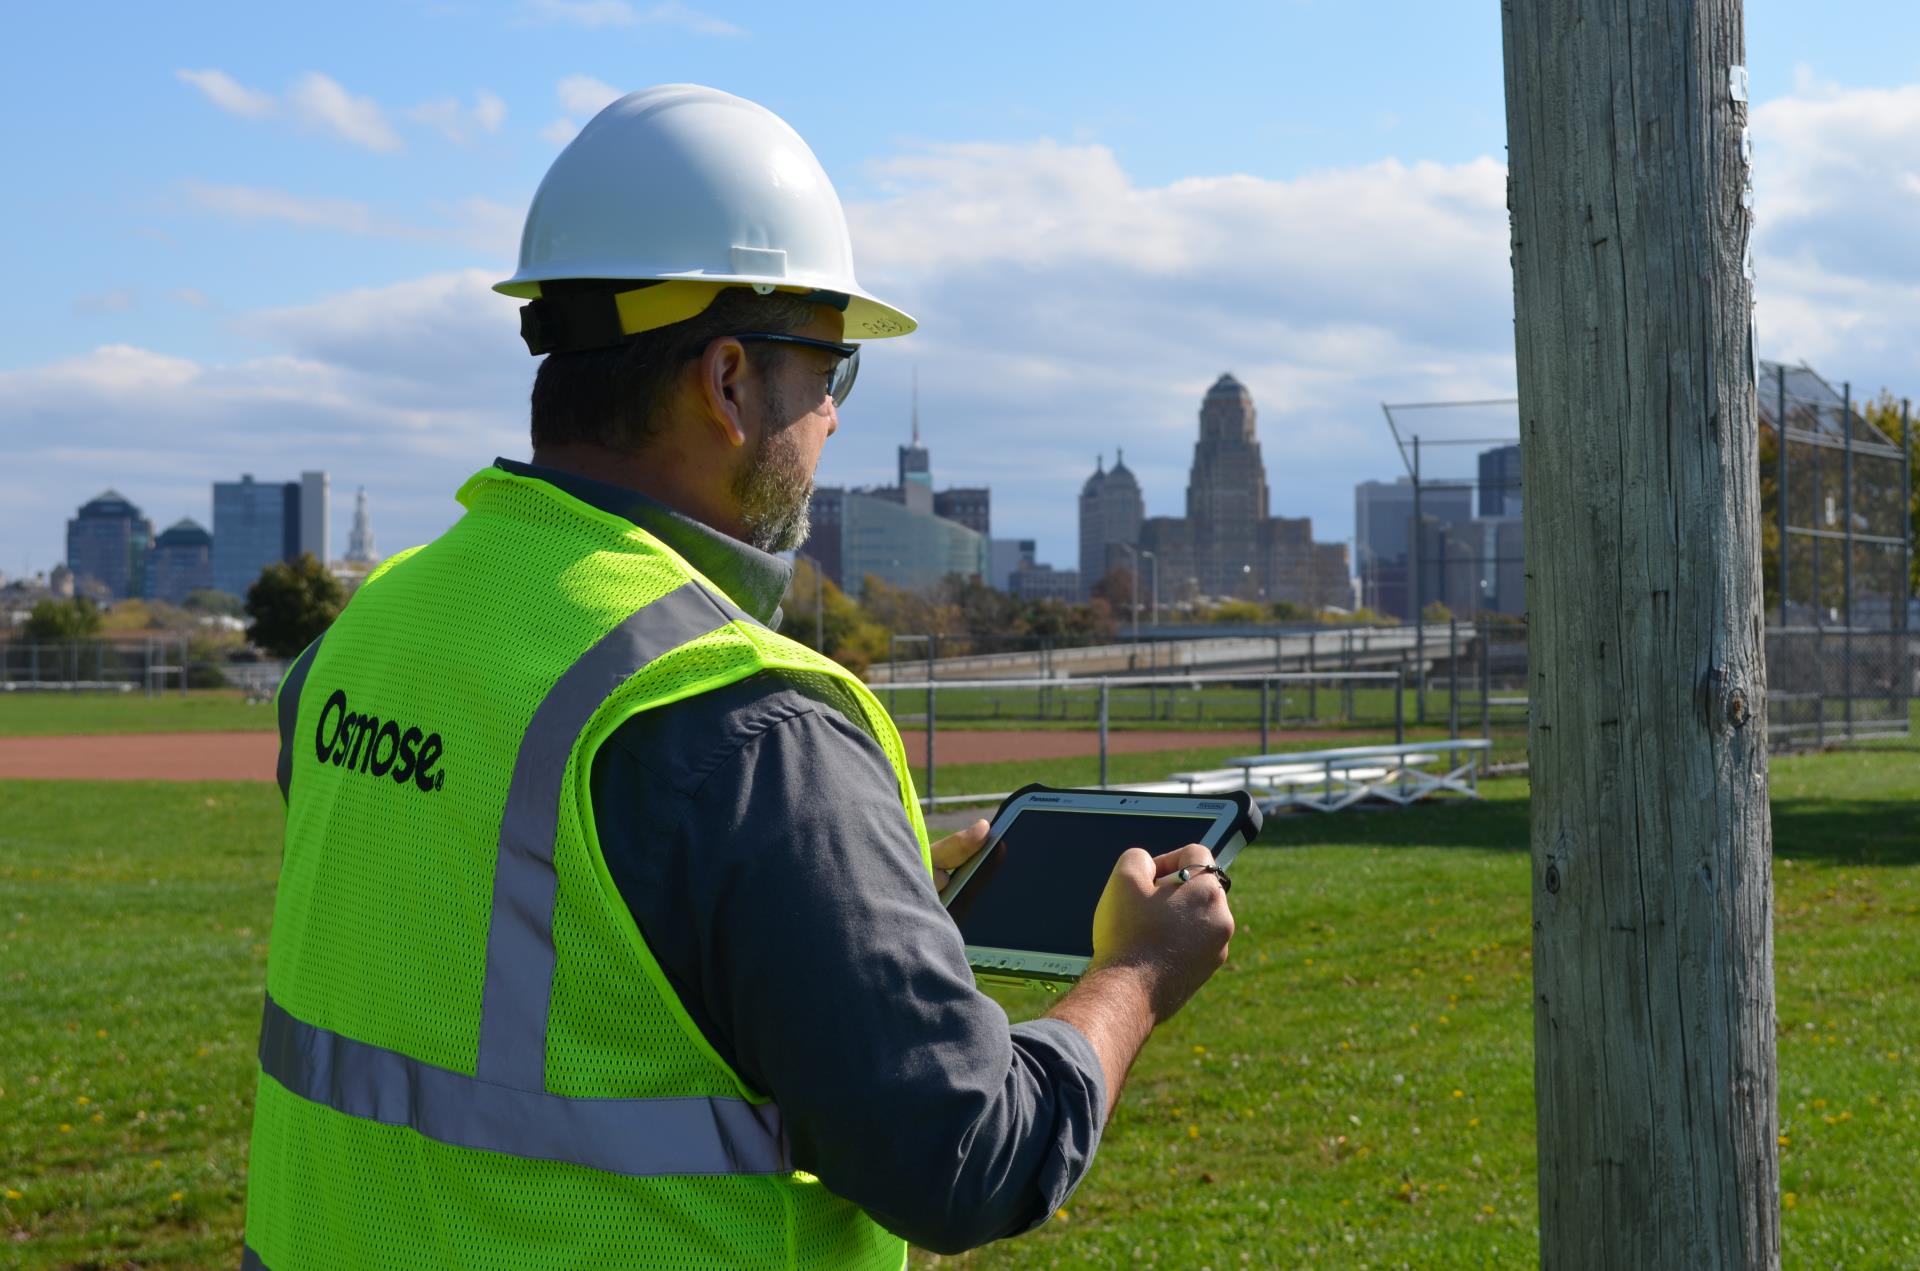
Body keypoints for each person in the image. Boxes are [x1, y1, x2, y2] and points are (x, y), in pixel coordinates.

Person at [241, 83, 1234, 1270]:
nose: (827, 420)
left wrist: (800, 895)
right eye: (829, 373)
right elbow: (966, 1155)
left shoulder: (371, 629)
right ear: (726, 381)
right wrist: (1130, 974)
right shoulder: (745, 719)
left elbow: (491, 917)